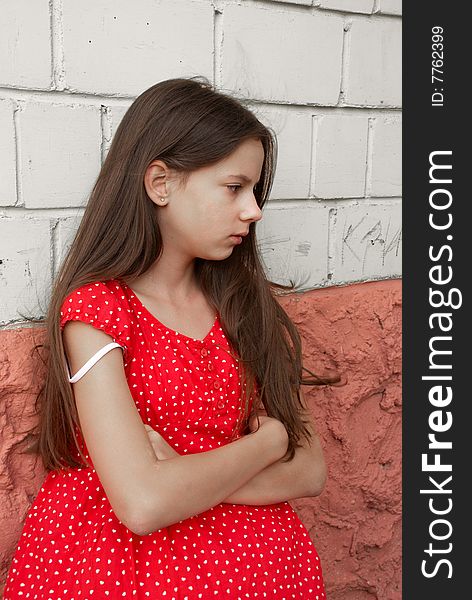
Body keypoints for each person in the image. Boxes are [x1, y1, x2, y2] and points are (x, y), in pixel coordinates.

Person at [4, 76, 335, 599]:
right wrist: (268, 443)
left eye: (254, 190)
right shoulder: (99, 311)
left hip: (263, 573)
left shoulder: (244, 308)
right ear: (160, 183)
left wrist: (182, 477)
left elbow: (310, 469)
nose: (253, 210)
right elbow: (143, 504)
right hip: (122, 572)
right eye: (234, 187)